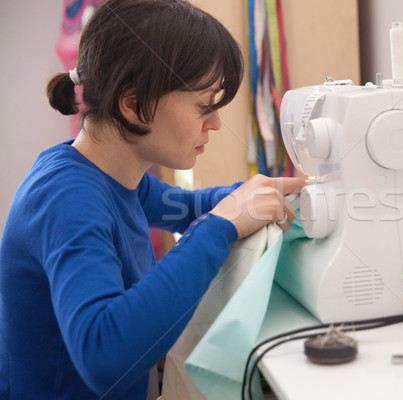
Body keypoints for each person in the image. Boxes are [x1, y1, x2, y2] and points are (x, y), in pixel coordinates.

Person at [0, 0, 305, 399]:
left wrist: (261, 190)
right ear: (132, 105)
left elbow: (190, 206)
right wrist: (219, 227)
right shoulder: (65, 198)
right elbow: (103, 354)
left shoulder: (112, 175)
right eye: (203, 105)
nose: (214, 122)